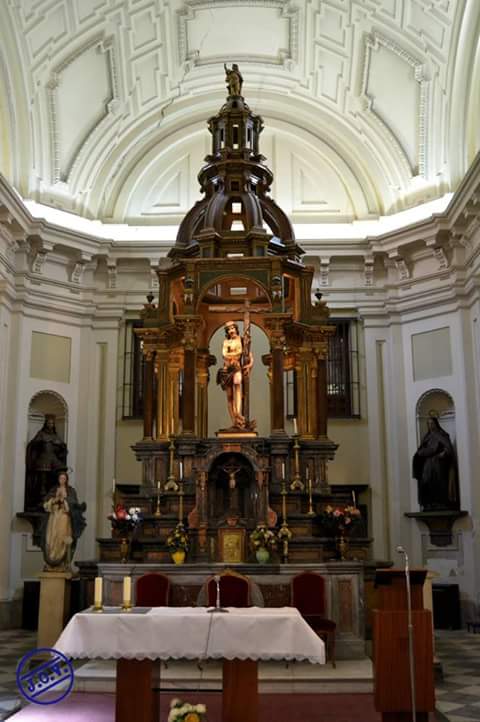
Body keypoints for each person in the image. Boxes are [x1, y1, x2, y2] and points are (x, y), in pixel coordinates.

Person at [40, 471, 86, 570]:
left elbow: (73, 504)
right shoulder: (53, 490)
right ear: (58, 479)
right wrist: (55, 500)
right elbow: (46, 504)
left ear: (66, 479)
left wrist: (65, 500)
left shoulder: (71, 491)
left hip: (64, 517)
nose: (62, 480)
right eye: (61, 478)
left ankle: (63, 562)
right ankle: (52, 558)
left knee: (62, 536)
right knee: (52, 537)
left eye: (64, 478)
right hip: (54, 517)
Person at [412, 416, 459, 511]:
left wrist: (444, 453)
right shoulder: (427, 436)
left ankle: (441, 503)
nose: (430, 425)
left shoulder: (442, 434)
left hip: (438, 463)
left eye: (432, 423)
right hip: (428, 463)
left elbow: (448, 448)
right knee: (426, 481)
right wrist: (421, 453)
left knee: (439, 481)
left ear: (436, 424)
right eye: (428, 424)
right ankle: (429, 503)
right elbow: (421, 449)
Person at [25, 415, 68, 510]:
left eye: (52, 423)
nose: (51, 425)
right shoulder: (41, 434)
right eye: (49, 423)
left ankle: (55, 495)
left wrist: (62, 449)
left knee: (61, 471)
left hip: (53, 459)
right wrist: (38, 443)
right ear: (46, 424)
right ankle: (41, 500)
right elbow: (33, 445)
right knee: (42, 481)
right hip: (43, 459)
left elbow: (61, 448)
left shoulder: (55, 436)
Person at [216, 321, 253, 429]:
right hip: (226, 370)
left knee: (237, 383)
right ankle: (235, 421)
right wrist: (234, 354)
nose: (231, 331)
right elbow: (224, 354)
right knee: (229, 396)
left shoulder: (241, 340)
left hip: (236, 367)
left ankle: (237, 413)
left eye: (232, 328)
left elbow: (247, 353)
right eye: (229, 329)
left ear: (236, 329)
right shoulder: (226, 342)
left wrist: (250, 364)